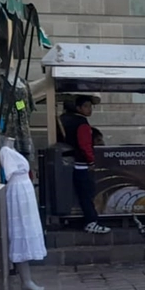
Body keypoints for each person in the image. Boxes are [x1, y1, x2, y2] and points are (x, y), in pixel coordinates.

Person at [0, 137, 47, 290]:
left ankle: (26, 279)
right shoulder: (6, 151)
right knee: (20, 231)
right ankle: (25, 279)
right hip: (18, 193)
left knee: (26, 230)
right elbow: (7, 173)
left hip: (24, 192)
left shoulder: (11, 150)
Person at [59, 95, 110, 234]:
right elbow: (84, 144)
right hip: (81, 164)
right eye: (86, 106)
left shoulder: (63, 120)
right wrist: (91, 160)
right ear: (78, 108)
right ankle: (91, 222)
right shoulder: (81, 123)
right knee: (87, 194)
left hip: (68, 161)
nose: (90, 109)